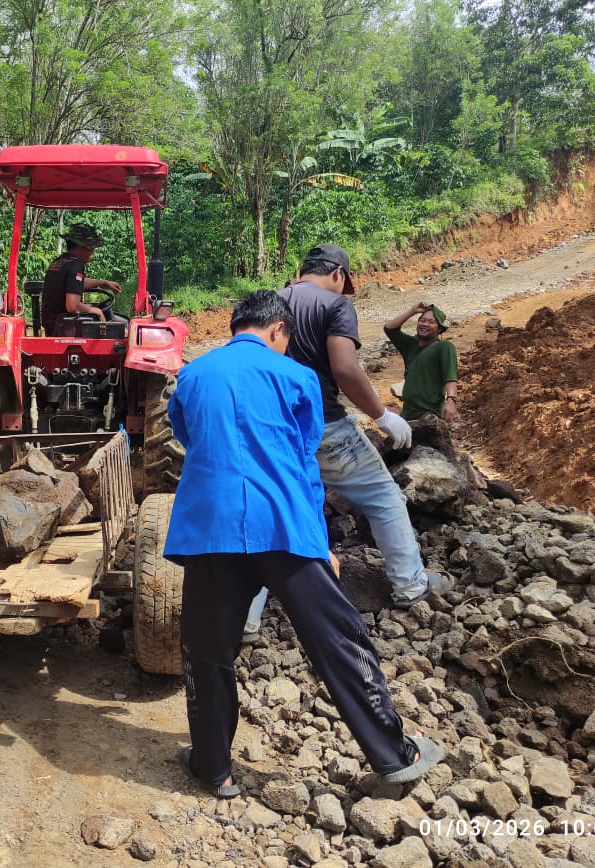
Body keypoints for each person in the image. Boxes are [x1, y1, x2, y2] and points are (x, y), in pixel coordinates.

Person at [164, 290, 445, 799]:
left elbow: (189, 437)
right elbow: (302, 460)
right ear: (278, 329)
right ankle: (394, 757)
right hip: (285, 527)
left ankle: (213, 768)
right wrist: (321, 542)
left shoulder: (193, 375)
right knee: (339, 641)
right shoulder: (297, 377)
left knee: (207, 651)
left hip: (210, 530)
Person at [243, 244, 451, 639]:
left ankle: (246, 620)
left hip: (272, 429)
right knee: (383, 496)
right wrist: (382, 415)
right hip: (325, 425)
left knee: (272, 513)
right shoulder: (334, 304)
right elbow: (344, 367)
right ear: (338, 273)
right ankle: (410, 584)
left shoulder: (270, 304)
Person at [41, 222, 123, 335]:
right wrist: (96, 311)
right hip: (65, 328)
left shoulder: (60, 262)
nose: (93, 251)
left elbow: (73, 285)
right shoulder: (76, 265)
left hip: (53, 325)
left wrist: (103, 282)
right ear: (81, 247)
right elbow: (72, 306)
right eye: (91, 247)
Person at [384, 301, 459, 422]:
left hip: (429, 416)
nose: (425, 324)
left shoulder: (444, 347)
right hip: (407, 416)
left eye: (431, 322)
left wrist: (451, 399)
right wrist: (412, 311)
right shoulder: (410, 345)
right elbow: (389, 329)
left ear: (439, 328)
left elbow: (450, 377)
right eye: (422, 320)